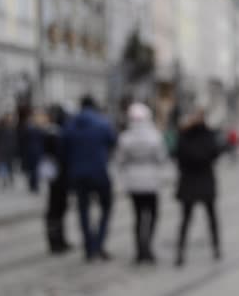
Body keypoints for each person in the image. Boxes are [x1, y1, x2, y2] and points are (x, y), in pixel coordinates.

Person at [62, 96, 116, 262]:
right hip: (99, 172)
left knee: (83, 210)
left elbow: (63, 149)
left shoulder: (70, 124)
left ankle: (88, 246)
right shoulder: (102, 122)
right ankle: (98, 243)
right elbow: (113, 141)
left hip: (78, 174)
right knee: (106, 207)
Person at [115, 103, 169, 265]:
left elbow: (120, 160)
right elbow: (161, 158)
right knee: (152, 215)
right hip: (151, 181)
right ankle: (148, 247)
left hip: (133, 182)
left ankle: (140, 249)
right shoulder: (155, 136)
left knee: (138, 216)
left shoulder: (125, 137)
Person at [175, 108, 224, 267]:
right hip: (204, 179)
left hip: (189, 180)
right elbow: (215, 154)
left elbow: (178, 155)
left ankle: (181, 251)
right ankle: (215, 248)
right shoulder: (208, 135)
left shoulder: (184, 135)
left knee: (187, 219)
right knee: (209, 216)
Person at [43, 106, 73, 254]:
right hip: (57, 177)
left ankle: (59, 239)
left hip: (59, 177)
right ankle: (55, 241)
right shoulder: (54, 133)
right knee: (56, 209)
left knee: (59, 208)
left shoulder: (56, 132)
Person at [0, 113, 17, 189]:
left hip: (8, 151)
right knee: (3, 166)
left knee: (9, 166)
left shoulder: (11, 129)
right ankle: (5, 180)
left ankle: (9, 179)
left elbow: (14, 140)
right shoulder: (0, 129)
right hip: (2, 151)